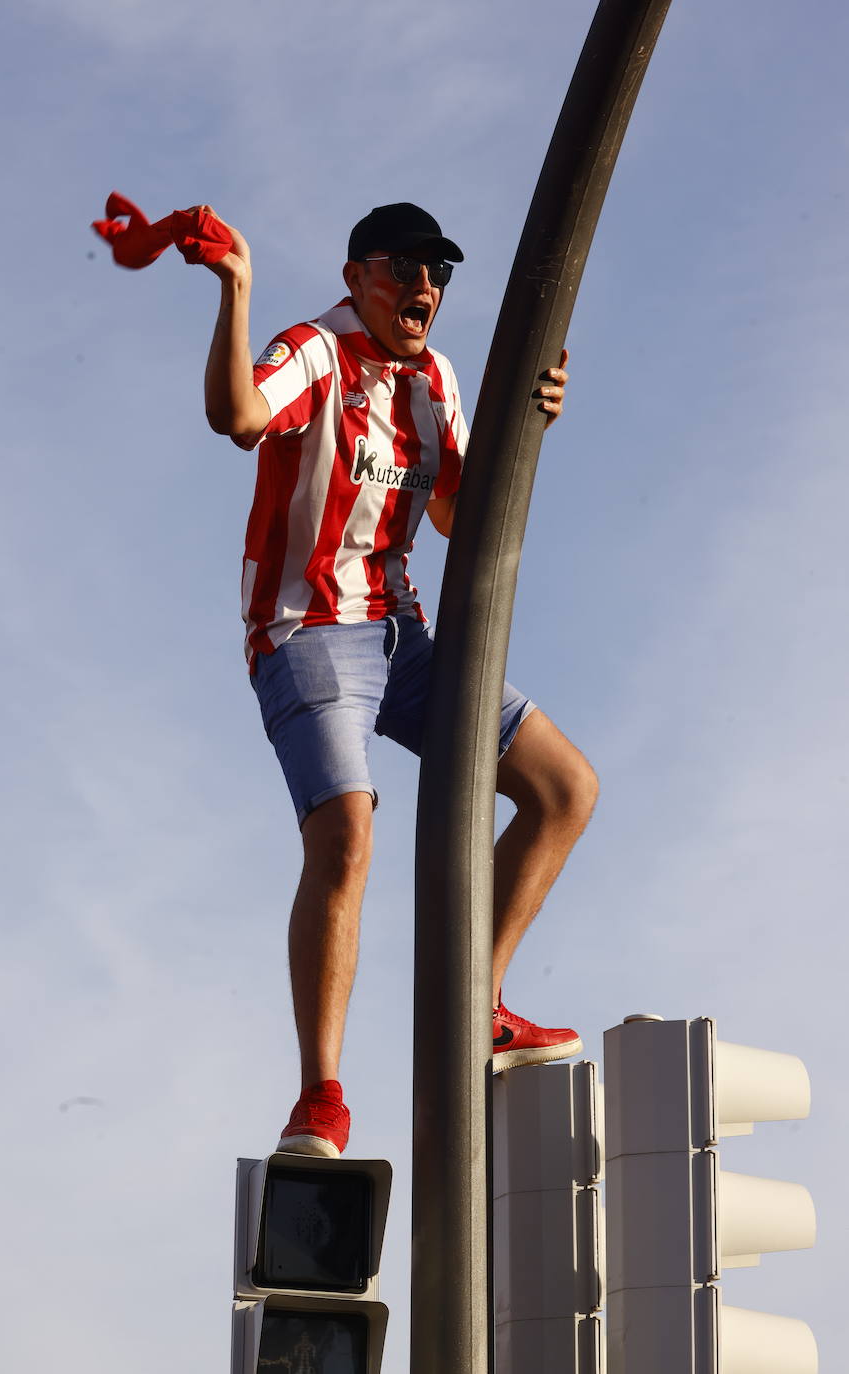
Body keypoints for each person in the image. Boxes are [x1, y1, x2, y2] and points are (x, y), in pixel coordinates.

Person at [202, 201, 598, 1158]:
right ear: (356, 277)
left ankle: (479, 1005)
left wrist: (524, 420)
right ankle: (321, 1098)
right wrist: (237, 290)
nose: (425, 289)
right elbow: (238, 416)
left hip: (399, 635)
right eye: (406, 268)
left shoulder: (435, 381)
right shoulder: (317, 349)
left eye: (439, 275)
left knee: (565, 788)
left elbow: (460, 514)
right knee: (348, 830)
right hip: (305, 632)